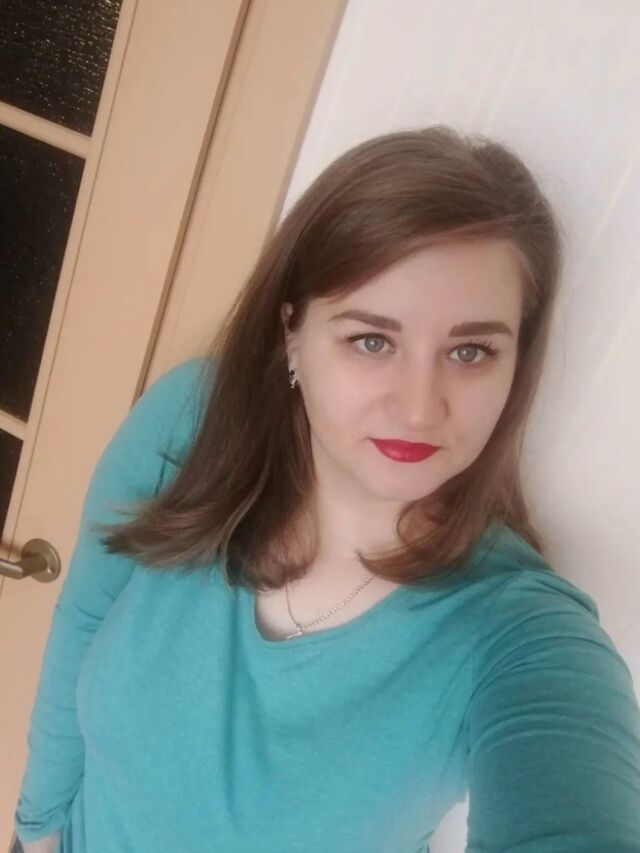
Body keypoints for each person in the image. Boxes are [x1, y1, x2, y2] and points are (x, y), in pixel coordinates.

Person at [14, 126, 640, 853]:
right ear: (293, 334)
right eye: (371, 340)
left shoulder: (520, 634)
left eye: (470, 351)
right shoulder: (192, 423)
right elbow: (83, 621)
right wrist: (36, 828)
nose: (418, 407)